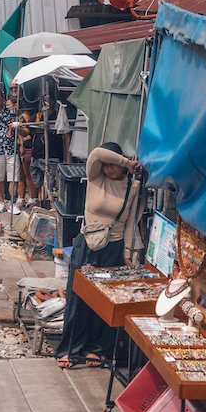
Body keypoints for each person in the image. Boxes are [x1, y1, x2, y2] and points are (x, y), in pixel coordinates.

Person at [56, 143, 140, 368]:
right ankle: (70, 350)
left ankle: (97, 349)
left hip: (114, 247)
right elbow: (95, 154)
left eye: (114, 164)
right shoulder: (95, 176)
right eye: (107, 164)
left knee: (106, 301)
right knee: (78, 299)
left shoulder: (132, 185)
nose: (109, 168)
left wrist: (127, 253)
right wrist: (127, 163)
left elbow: (131, 222)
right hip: (88, 244)